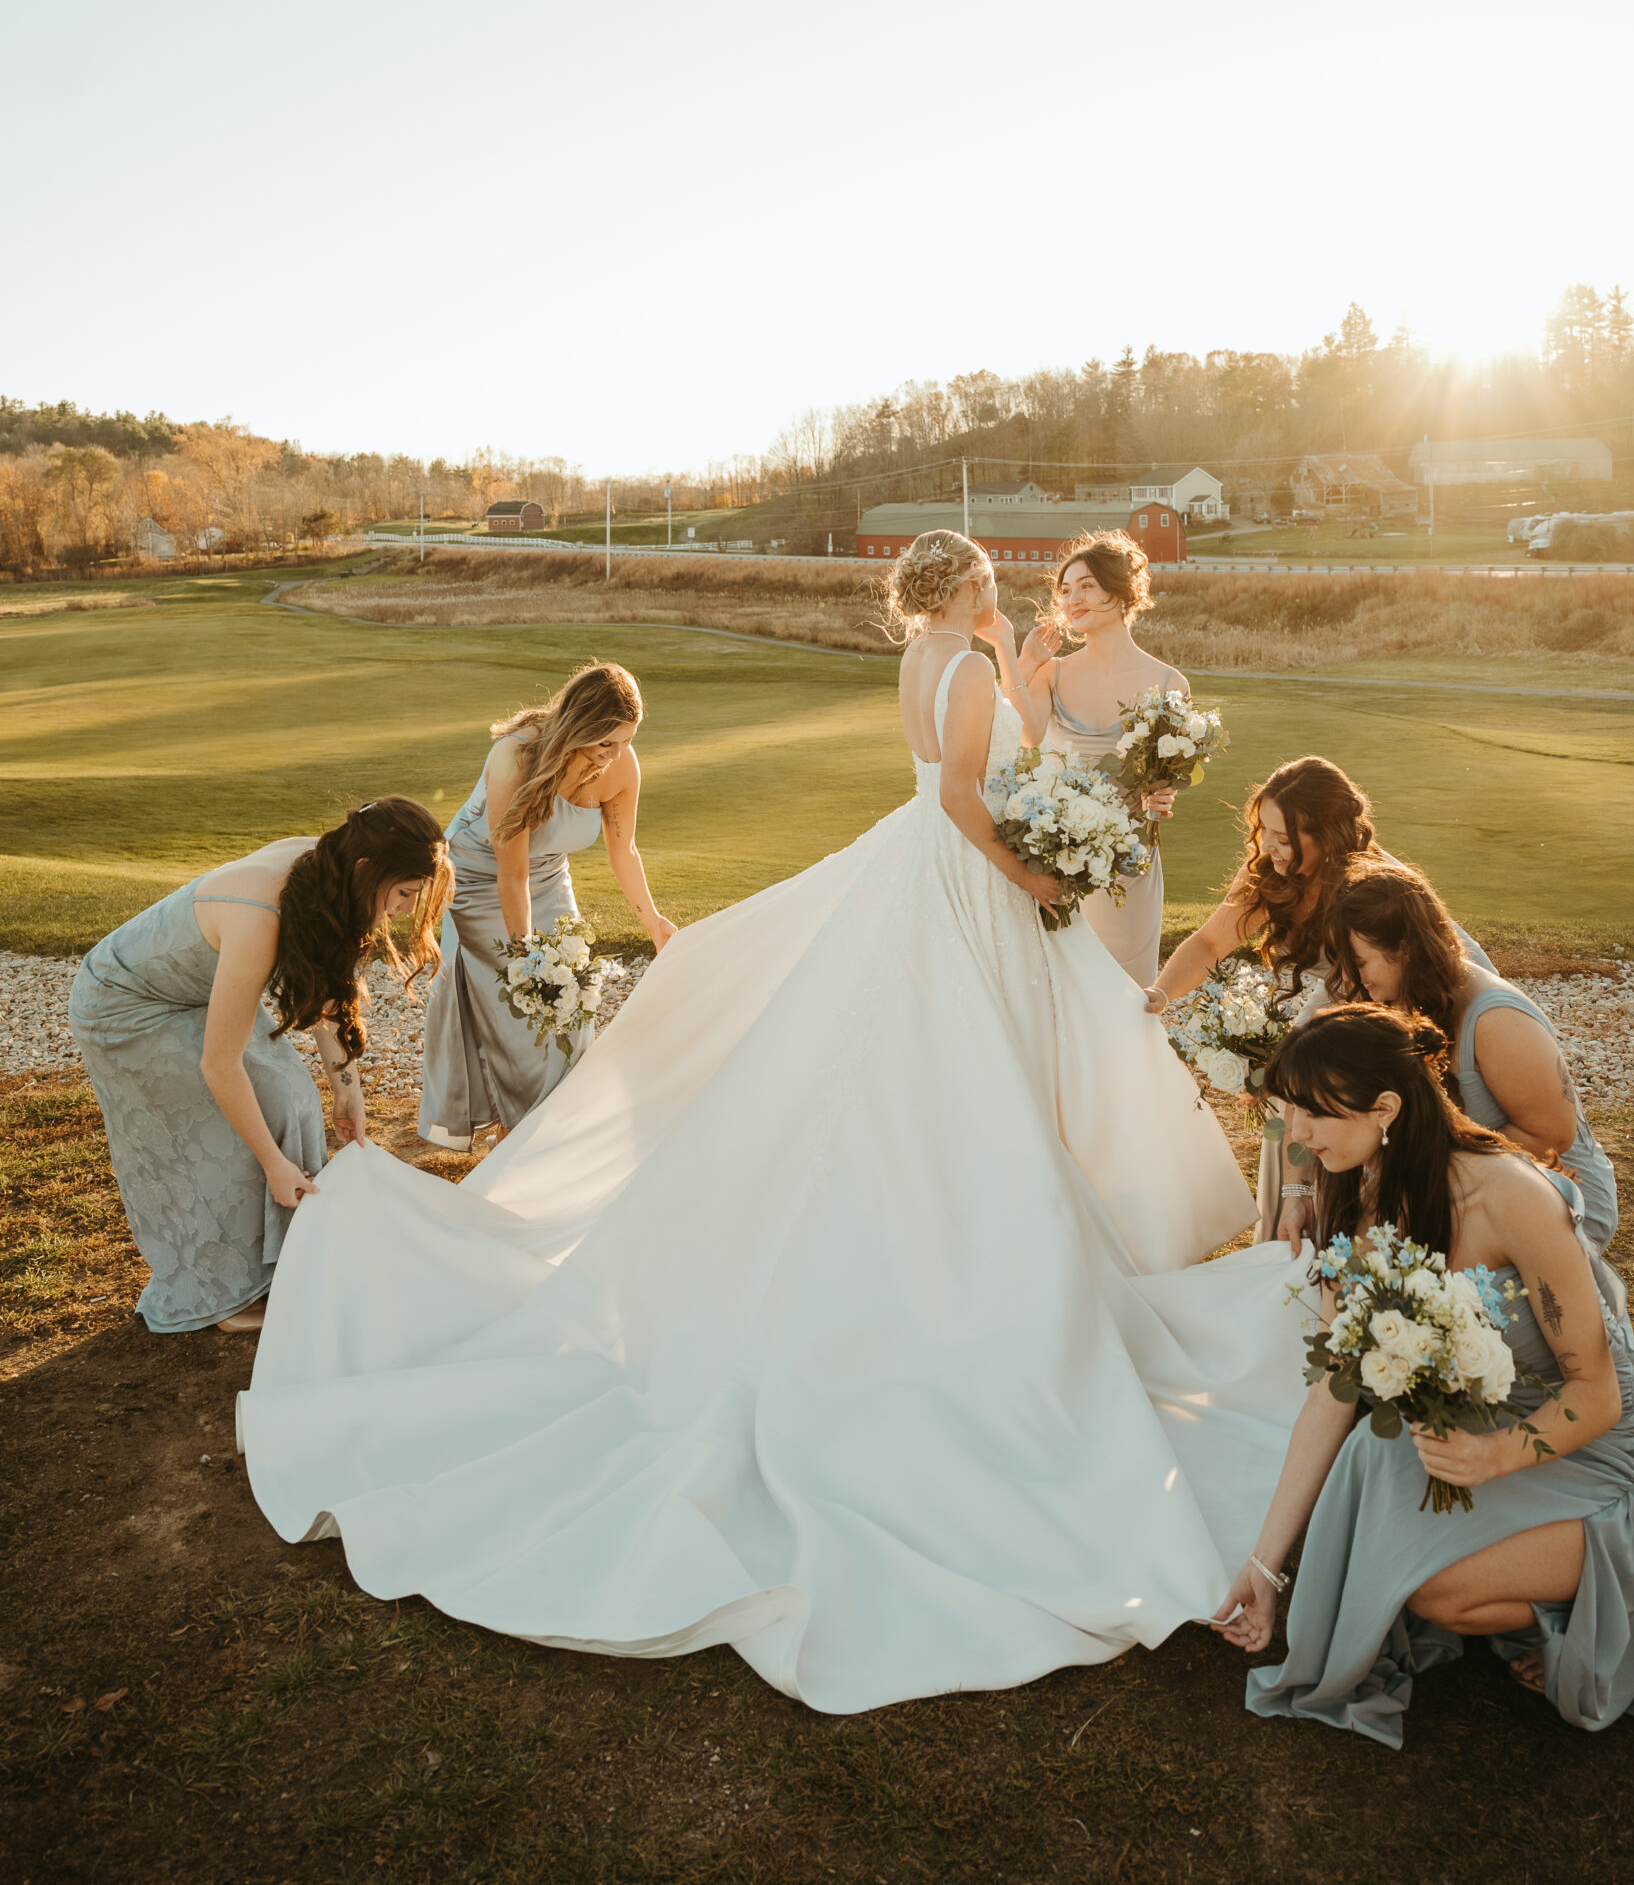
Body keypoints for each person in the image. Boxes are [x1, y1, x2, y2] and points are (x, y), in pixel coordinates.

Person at [237, 530, 1294, 1717]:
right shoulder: (967, 667)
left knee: (922, 1071)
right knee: (948, 1074)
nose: (1005, 589)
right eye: (988, 579)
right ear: (957, 587)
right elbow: (958, 798)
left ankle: (942, 1240)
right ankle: (951, 1271)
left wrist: (1017, 712)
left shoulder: (939, 657)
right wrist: (1036, 874)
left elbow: (967, 762)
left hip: (930, 879)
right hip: (961, 881)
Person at [1213, 1004, 1634, 1748]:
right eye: (1290, 1111)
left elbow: (1596, 1394)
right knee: (1375, 1459)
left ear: (1385, 1108)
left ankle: (1601, 1613)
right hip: (1482, 1420)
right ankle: (1544, 1593)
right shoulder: (1353, 1192)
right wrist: (1266, 1566)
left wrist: (1495, 1457)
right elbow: (1333, 1391)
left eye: (1312, 1114)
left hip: (1607, 1456)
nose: (1296, 1135)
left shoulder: (1509, 1196)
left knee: (1439, 1596)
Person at [69, 800, 451, 1334]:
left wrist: (346, 1088)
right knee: (228, 1132)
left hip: (192, 993)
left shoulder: (331, 872)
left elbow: (324, 983)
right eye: (406, 892)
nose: (409, 909)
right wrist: (273, 1163)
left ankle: (281, 1261)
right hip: (125, 1006)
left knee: (290, 1094)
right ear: (368, 869)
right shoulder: (262, 914)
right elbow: (220, 1067)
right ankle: (223, 1294)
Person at [1144, 758, 1490, 1248]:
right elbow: (1207, 943)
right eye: (1263, 829)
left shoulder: (1372, 889)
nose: (1267, 846)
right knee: (1291, 1175)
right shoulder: (1269, 875)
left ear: (1325, 835)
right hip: (1312, 1040)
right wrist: (1159, 994)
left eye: (1283, 838)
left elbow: (1416, 991)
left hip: (1369, 1045)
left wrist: (1289, 1069)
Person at [418, 660, 676, 1151]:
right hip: (479, 880)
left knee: (574, 1004)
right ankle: (515, 1135)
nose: (618, 754)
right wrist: (528, 959)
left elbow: (624, 852)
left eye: (627, 740)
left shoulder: (622, 764)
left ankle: (557, 1134)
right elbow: (510, 874)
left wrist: (653, 922)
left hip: (549, 876)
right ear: (581, 725)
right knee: (516, 1015)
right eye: (607, 741)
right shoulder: (514, 757)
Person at [1323, 861, 1618, 1248]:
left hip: (1559, 1194)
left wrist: (1423, 1167)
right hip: (1473, 1180)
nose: (1351, 978)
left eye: (1360, 962)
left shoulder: (1496, 1020)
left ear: (1405, 949)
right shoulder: (1399, 994)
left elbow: (1550, 1136)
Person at [984, 530, 1183, 991]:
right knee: (1061, 989)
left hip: (1129, 860)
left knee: (1126, 989)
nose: (1074, 599)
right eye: (1066, 590)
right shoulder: (1054, 672)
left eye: (1087, 586)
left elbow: (1162, 781)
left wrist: (1164, 795)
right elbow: (1026, 734)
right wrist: (1018, 659)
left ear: (1120, 590)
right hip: (1059, 856)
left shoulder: (1170, 681)